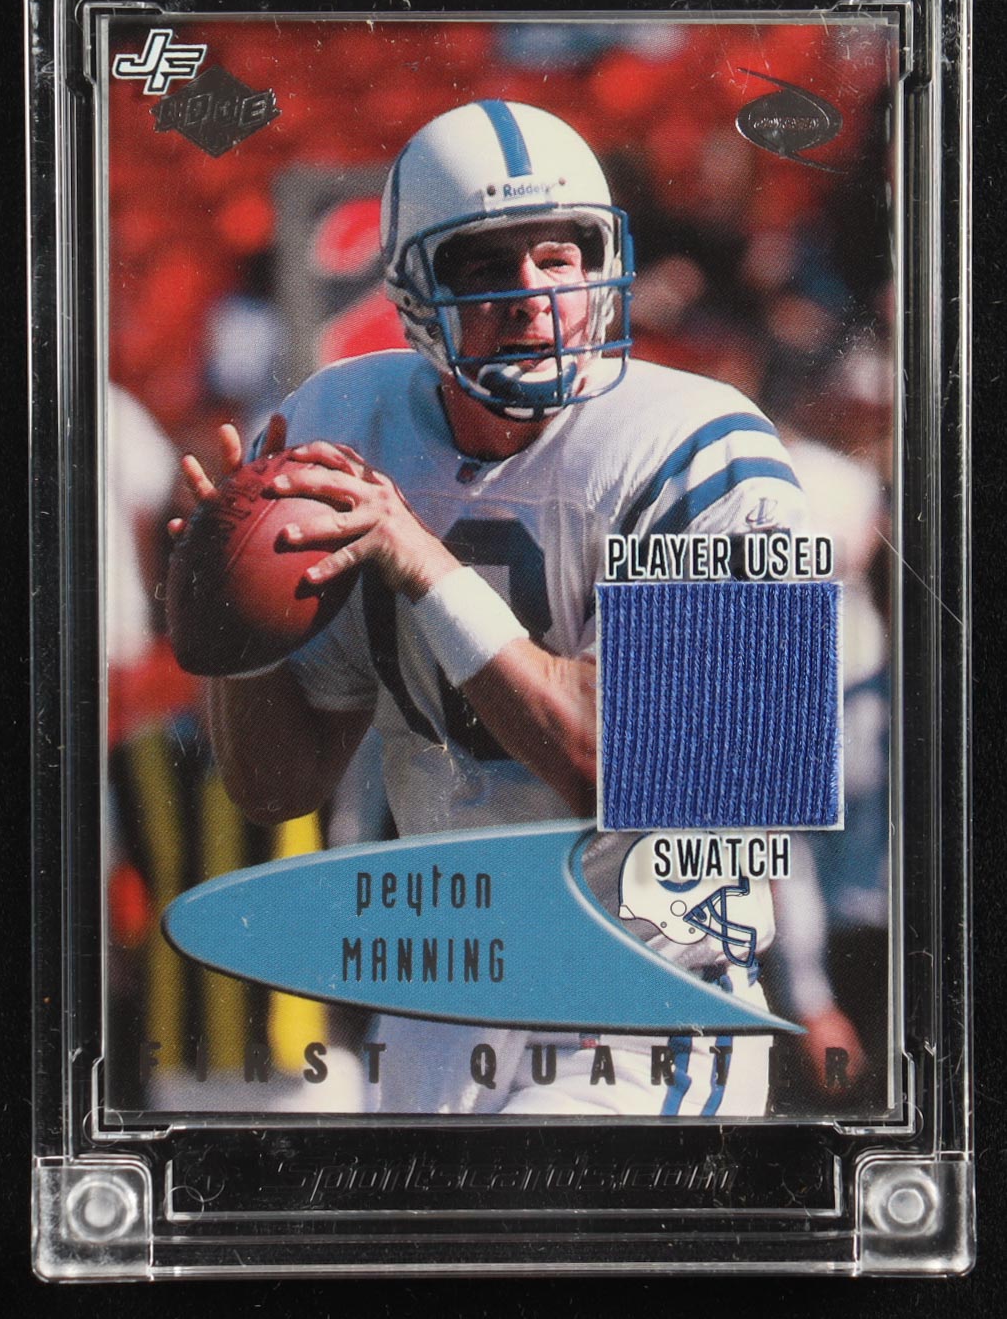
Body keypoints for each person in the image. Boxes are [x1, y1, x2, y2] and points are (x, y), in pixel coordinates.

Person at [176, 100, 808, 1115]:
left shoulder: (705, 449)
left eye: (559, 257)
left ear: (604, 262)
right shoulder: (342, 421)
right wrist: (236, 633)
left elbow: (631, 769)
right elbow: (276, 786)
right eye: (485, 266)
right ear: (413, 291)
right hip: (442, 996)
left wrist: (422, 565)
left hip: (638, 986)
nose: (532, 295)